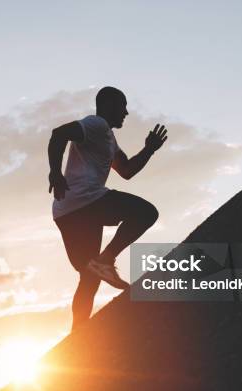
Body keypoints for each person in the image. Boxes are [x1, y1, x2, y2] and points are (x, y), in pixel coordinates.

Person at [47, 86, 167, 331]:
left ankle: (78, 333)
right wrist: (55, 172)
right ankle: (107, 258)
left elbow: (126, 171)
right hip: (87, 201)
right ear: (109, 105)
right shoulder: (96, 124)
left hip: (66, 212)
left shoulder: (108, 139)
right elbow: (58, 133)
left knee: (90, 276)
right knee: (146, 213)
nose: (126, 112)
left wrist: (149, 150)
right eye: (122, 106)